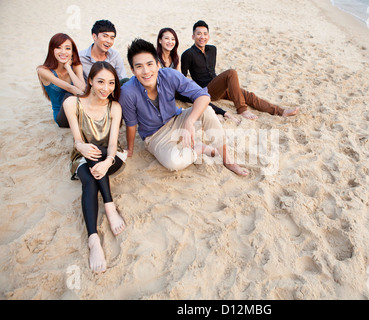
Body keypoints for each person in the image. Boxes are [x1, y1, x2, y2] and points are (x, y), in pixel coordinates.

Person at [119, 38, 248, 176]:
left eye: (150, 64)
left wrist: (189, 121)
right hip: (155, 136)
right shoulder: (127, 92)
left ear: (157, 64)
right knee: (173, 163)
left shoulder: (169, 75)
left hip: (177, 119)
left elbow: (203, 96)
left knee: (208, 111)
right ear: (132, 70)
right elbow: (131, 124)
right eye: (139, 66)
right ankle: (199, 148)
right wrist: (130, 149)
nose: (145, 71)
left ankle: (228, 160)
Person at [64, 61, 127, 273]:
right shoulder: (73, 103)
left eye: (111, 83)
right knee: (89, 179)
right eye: (100, 81)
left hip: (111, 157)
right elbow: (77, 141)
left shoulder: (114, 107)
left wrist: (107, 161)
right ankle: (94, 239)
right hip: (83, 156)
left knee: (98, 153)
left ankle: (108, 207)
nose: (105, 88)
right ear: (90, 80)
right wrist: (82, 147)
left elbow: (111, 146)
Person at [181, 20, 299, 120]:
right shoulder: (188, 54)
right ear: (193, 36)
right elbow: (182, 77)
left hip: (219, 86)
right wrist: (196, 94)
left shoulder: (212, 50)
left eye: (205, 34)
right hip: (206, 91)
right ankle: (242, 110)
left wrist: (223, 85)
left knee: (248, 96)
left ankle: (281, 112)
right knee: (231, 73)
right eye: (199, 34)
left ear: (208, 36)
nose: (202, 37)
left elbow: (211, 71)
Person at [156, 27, 240, 124]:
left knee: (198, 94)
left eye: (173, 39)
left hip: (175, 90)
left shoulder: (175, 58)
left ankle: (224, 113)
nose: (170, 42)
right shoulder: (155, 58)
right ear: (160, 40)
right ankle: (215, 113)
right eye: (166, 38)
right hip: (163, 92)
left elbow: (179, 77)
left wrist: (187, 87)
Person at [37, 33, 86, 127]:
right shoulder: (43, 70)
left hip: (80, 111)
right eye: (58, 47)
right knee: (69, 95)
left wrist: (68, 68)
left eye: (67, 48)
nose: (63, 52)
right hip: (62, 116)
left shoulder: (76, 66)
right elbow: (70, 88)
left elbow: (82, 88)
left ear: (72, 51)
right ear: (52, 50)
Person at [79, 20, 129, 85]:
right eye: (105, 36)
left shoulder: (115, 56)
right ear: (94, 36)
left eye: (112, 38)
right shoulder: (81, 57)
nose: (109, 41)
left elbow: (122, 80)